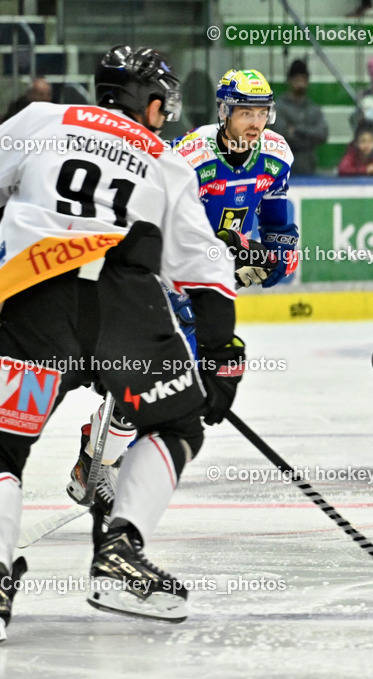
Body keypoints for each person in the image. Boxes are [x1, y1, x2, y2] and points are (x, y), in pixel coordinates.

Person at [0, 44, 244, 643]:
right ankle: (119, 552)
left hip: (37, 308)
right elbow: (204, 265)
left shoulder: (43, 119)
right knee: (179, 425)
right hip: (126, 311)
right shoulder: (165, 158)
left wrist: (14, 205)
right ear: (153, 103)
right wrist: (218, 352)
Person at [64, 67, 300, 512]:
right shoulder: (187, 156)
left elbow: (276, 225)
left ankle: (93, 463)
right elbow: (148, 224)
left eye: (262, 112)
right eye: (245, 112)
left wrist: (270, 262)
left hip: (206, 287)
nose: (255, 122)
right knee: (146, 379)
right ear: (224, 112)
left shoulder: (276, 154)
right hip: (161, 278)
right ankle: (87, 461)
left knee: (168, 389)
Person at [272, 59, 329, 176]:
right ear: (290, 81)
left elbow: (323, 134)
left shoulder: (313, 107)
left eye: (303, 80)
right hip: (284, 167)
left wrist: (298, 130)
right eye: (297, 80)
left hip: (309, 166)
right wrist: (309, 137)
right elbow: (280, 136)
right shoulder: (280, 106)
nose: (300, 84)